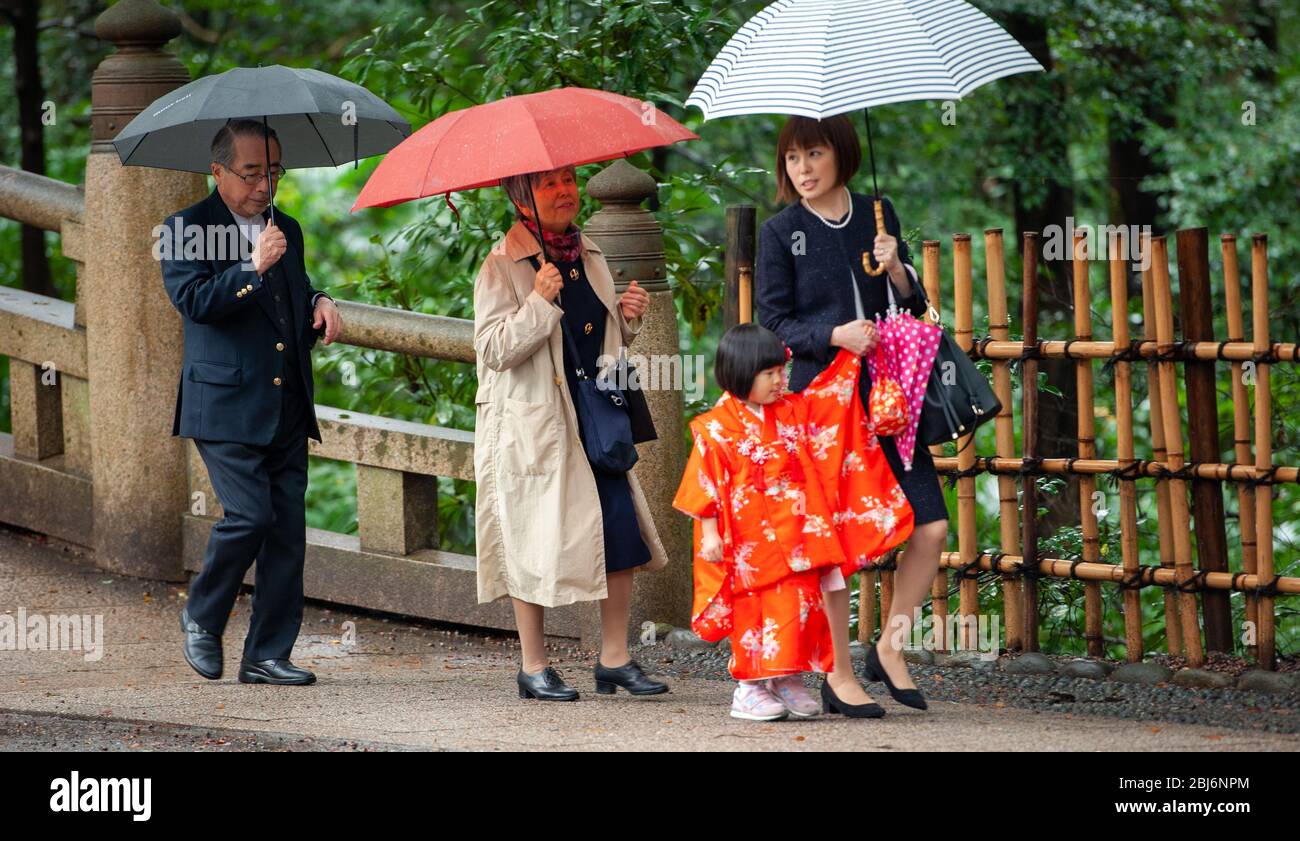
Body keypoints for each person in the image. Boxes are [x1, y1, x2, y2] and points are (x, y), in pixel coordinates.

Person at [757, 114, 948, 713]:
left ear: (841, 154)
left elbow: (915, 305)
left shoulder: (877, 213)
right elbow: (773, 323)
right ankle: (838, 672)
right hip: (822, 405)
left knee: (930, 525)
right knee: (834, 545)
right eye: (793, 158)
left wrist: (897, 266)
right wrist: (834, 334)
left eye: (814, 154)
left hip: (889, 396)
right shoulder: (780, 231)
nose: (803, 169)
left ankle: (889, 648)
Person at [472, 164, 670, 701]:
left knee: (621, 531)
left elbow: (595, 338)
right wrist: (537, 302)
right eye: (548, 183)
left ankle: (614, 660)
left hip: (596, 414)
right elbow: (491, 350)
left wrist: (626, 320)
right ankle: (533, 666)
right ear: (520, 197)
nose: (565, 191)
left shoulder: (590, 254)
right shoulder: (500, 264)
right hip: (538, 422)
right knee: (529, 534)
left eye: (568, 180)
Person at [162, 119, 342, 685]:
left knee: (287, 530)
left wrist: (319, 300)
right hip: (223, 404)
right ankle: (202, 614)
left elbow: (291, 293)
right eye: (251, 173)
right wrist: (250, 267)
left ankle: (266, 653)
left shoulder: (283, 226)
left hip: (286, 400)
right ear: (217, 171)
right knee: (250, 515)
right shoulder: (184, 228)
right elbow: (193, 301)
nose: (265, 185)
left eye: (273, 172)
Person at [673, 324, 913, 720]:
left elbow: (829, 411)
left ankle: (787, 679)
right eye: (769, 374)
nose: (780, 381)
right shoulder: (716, 427)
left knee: (799, 604)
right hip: (747, 541)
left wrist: (848, 365)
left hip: (797, 532)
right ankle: (748, 689)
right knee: (754, 612)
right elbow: (704, 482)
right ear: (740, 374)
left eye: (781, 372)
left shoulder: (793, 411)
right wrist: (711, 533)